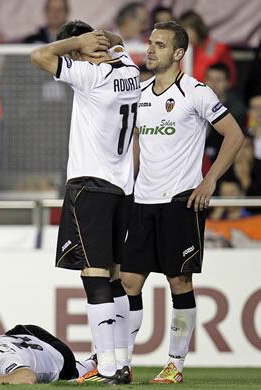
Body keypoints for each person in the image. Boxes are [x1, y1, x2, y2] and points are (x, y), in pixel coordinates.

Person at [120, 21, 243, 384]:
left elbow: (234, 135)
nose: (150, 49)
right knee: (128, 282)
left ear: (178, 53)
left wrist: (210, 180)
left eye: (159, 44)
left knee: (179, 281)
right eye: (150, 43)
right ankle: (121, 363)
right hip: (143, 201)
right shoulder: (140, 93)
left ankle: (175, 365)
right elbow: (139, 146)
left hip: (180, 202)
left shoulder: (196, 92)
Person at [31, 22, 141, 384]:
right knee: (113, 278)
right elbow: (121, 42)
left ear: (79, 50)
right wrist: (107, 40)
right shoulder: (129, 69)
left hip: (90, 186)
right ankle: (122, 361)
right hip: (123, 189)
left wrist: (76, 42)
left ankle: (106, 367)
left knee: (93, 275)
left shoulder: (89, 76)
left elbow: (39, 55)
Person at [204, 63, 248, 165]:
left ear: (228, 83)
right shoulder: (195, 105)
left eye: (218, 80)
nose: (213, 84)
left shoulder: (237, 111)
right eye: (210, 79)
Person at [179, 10, 237, 86]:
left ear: (197, 28)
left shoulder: (219, 48)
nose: (183, 35)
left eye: (187, 30)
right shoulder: (181, 51)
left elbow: (231, 79)